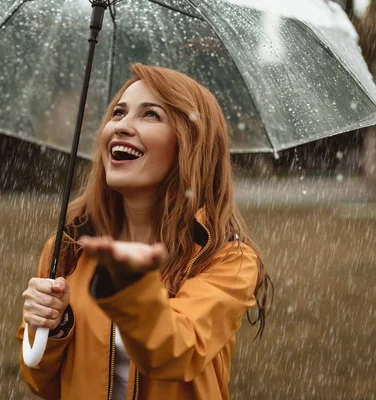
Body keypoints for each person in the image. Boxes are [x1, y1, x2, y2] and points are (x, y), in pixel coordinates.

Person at [16, 63, 272, 400]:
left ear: (191, 145)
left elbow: (175, 354)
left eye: (150, 115)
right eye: (118, 113)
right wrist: (53, 326)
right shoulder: (68, 248)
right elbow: (41, 383)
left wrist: (128, 285)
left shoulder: (228, 259)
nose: (121, 126)